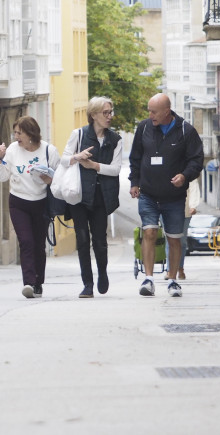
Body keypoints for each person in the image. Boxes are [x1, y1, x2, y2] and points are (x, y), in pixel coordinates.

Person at [129, 93, 204, 297]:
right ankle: (149, 279)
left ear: (167, 112)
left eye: (154, 111)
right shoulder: (144, 128)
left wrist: (184, 176)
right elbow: (135, 157)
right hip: (148, 194)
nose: (150, 115)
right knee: (149, 233)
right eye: (149, 111)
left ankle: (172, 281)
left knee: (174, 239)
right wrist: (134, 182)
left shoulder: (185, 130)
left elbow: (196, 160)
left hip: (174, 197)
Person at [61, 97, 123, 298]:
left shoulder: (115, 139)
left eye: (110, 112)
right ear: (93, 115)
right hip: (79, 194)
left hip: (101, 196)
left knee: (99, 240)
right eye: (105, 113)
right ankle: (87, 283)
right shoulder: (78, 135)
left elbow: (115, 170)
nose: (109, 116)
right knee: (82, 239)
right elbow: (63, 160)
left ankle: (102, 273)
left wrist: (95, 166)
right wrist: (76, 158)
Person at [0, 116, 60, 299]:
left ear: (31, 134)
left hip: (41, 202)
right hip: (18, 202)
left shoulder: (49, 151)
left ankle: (38, 282)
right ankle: (28, 282)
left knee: (39, 244)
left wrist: (50, 180)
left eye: (19, 133)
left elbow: (60, 179)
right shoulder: (13, 150)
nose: (15, 137)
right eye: (14, 132)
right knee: (26, 242)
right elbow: (2, 177)